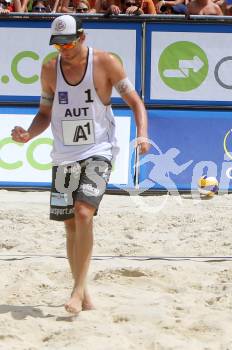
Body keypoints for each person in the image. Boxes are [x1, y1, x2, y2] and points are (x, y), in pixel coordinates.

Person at [11, 15, 149, 314]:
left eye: (69, 42)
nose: (64, 48)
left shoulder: (105, 63)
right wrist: (28, 135)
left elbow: (136, 102)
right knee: (70, 225)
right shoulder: (50, 68)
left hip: (99, 148)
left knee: (84, 212)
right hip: (64, 153)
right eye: (58, 43)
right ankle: (84, 293)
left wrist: (142, 135)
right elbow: (45, 114)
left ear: (83, 37)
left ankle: (75, 291)